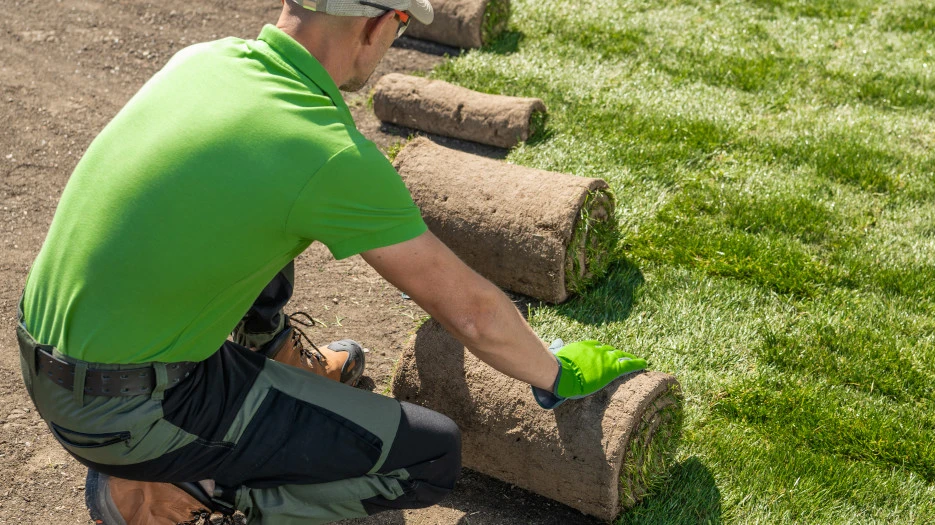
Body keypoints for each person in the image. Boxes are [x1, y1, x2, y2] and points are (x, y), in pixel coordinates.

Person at [14, 0, 648, 523]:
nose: (396, 39)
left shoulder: (204, 62)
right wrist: (554, 371)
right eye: (402, 26)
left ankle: (270, 353)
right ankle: (169, 493)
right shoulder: (327, 152)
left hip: (50, 349)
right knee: (430, 457)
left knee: (255, 215)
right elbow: (472, 313)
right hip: (127, 411)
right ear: (375, 24)